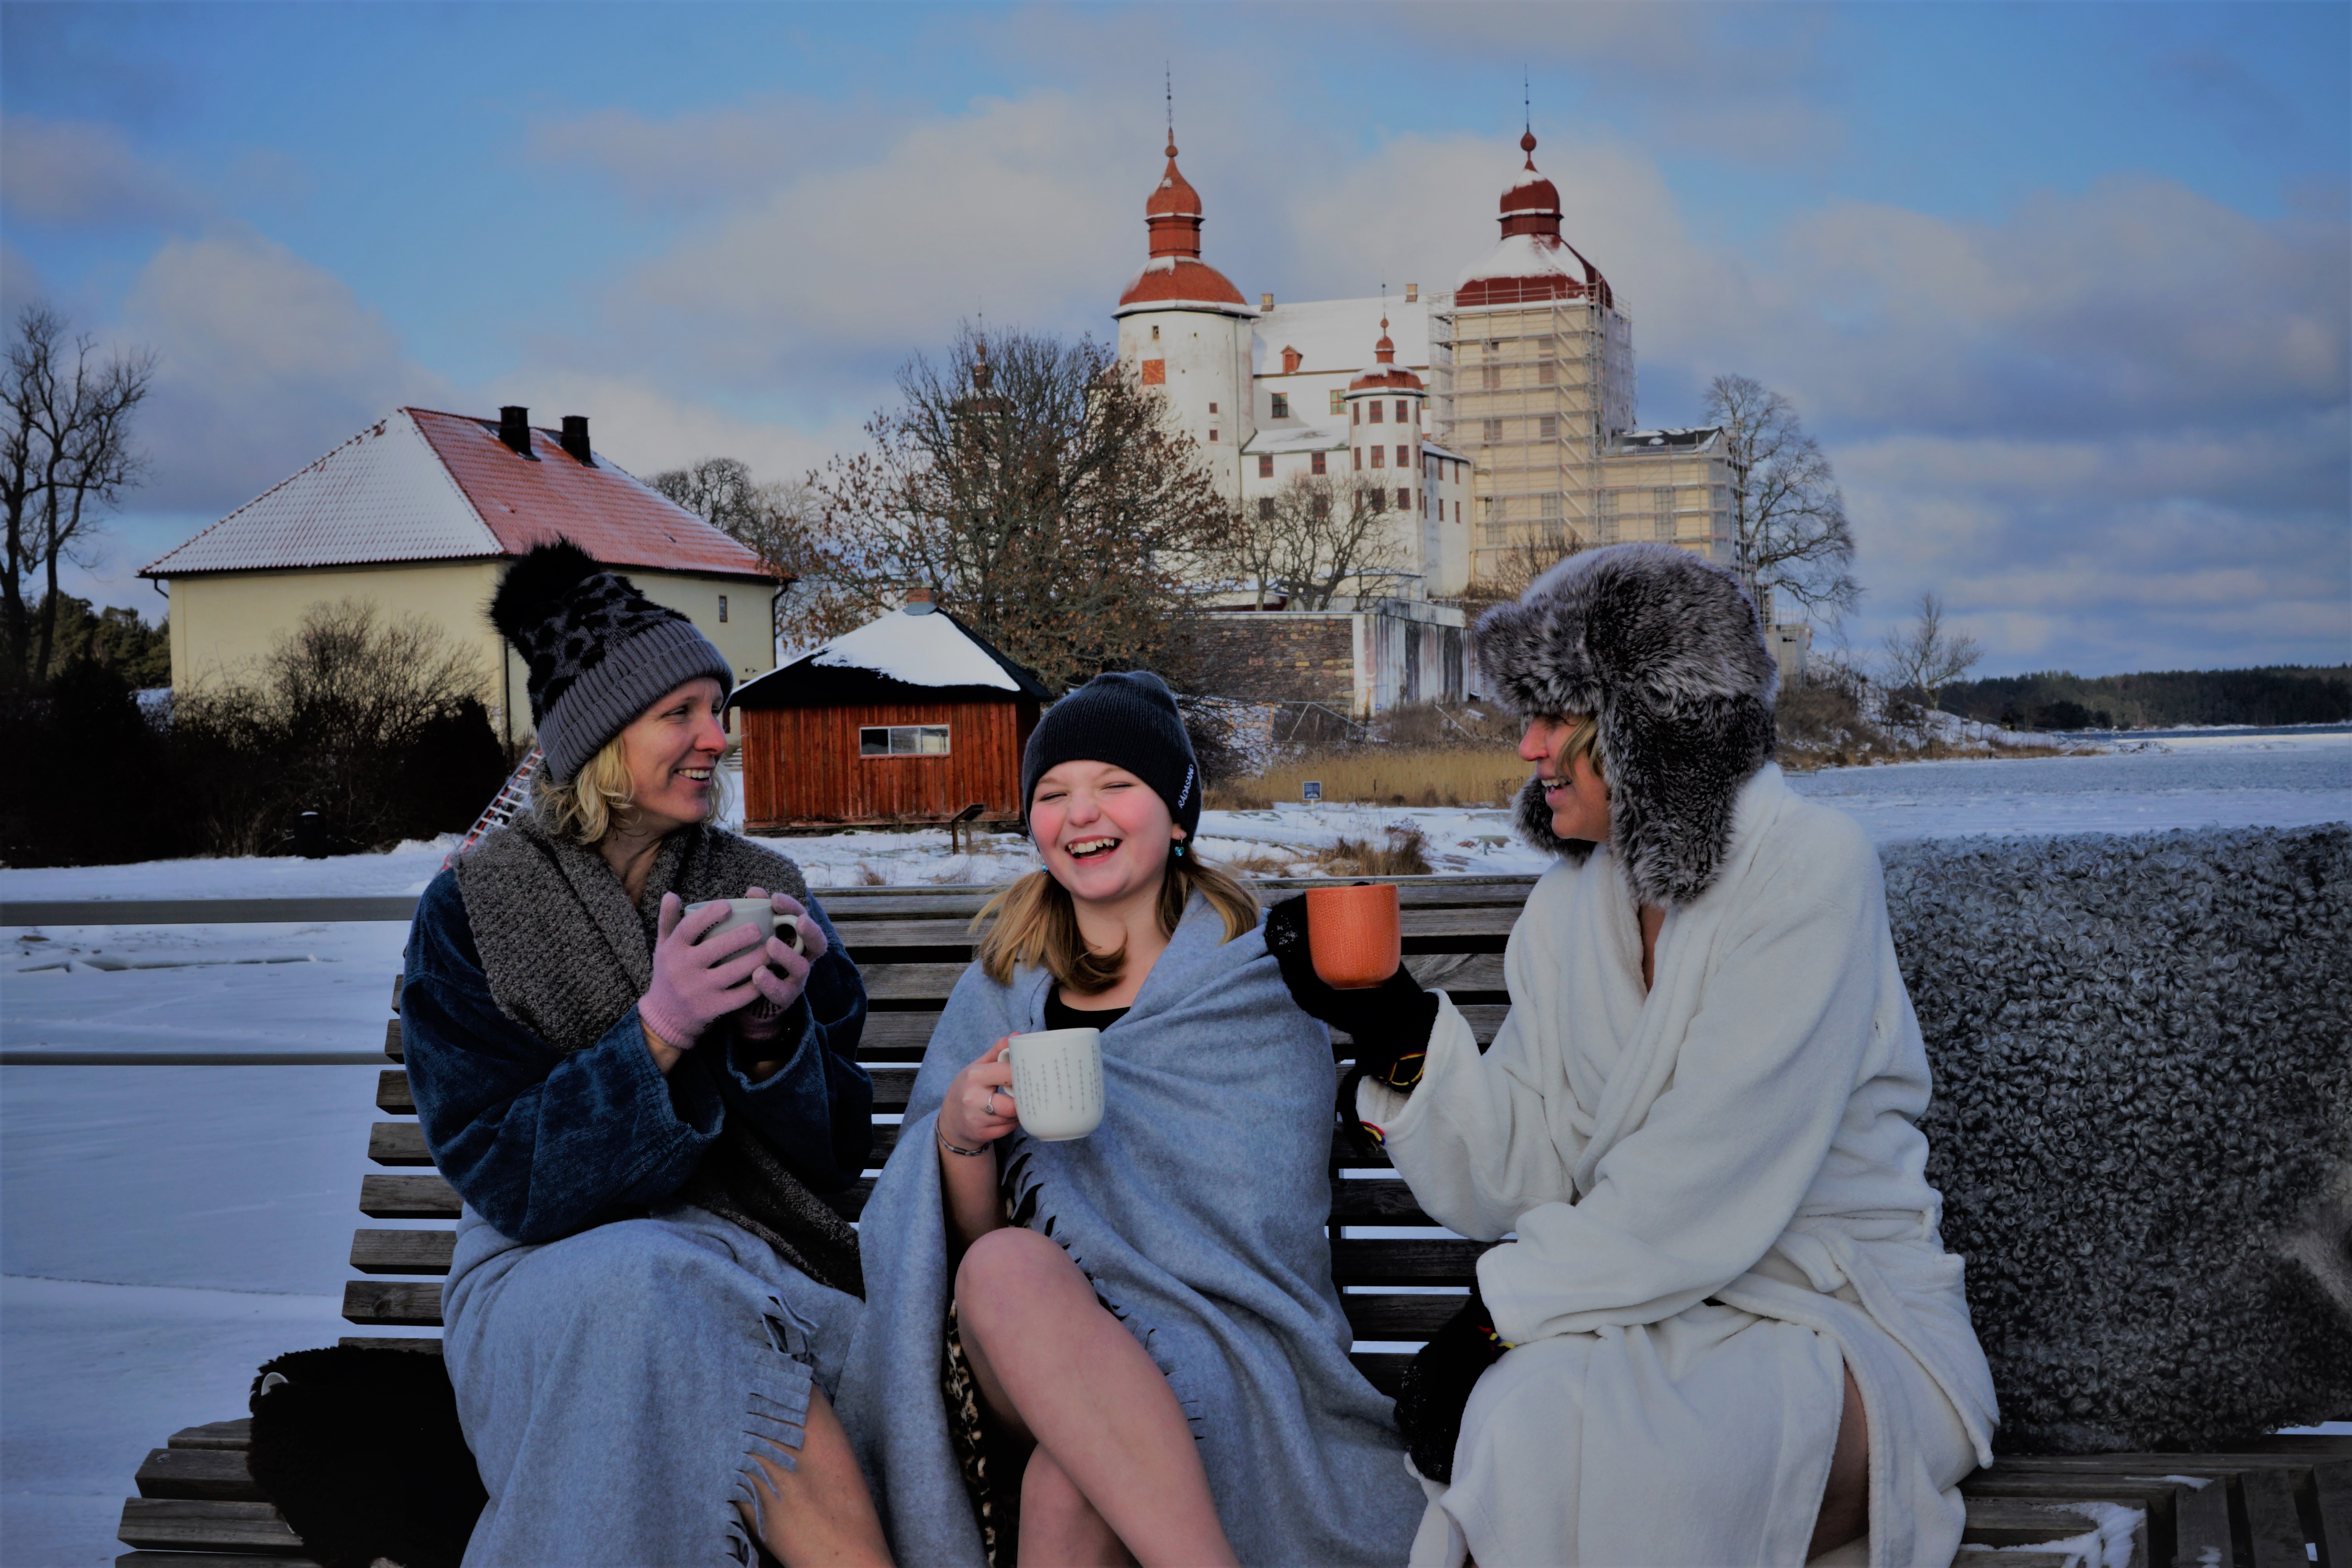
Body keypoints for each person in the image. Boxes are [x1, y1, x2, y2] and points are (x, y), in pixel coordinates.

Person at [1266, 543, 1999, 1568]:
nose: (1525, 747)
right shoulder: (1571, 909)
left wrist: (1493, 1322)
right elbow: (1522, 1173)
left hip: (1842, 1319)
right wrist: (1392, 1029)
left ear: (1654, 724)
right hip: (1641, 1318)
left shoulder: (1810, 872)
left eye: (1555, 716)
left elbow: (1702, 1176)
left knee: (1624, 1475)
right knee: (1518, 1432)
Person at [838, 671, 1424, 1567]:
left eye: (1116, 784)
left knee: (1072, 1482)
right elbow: (961, 1249)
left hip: (1222, 1334)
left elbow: (1264, 1217)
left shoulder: (1256, 986)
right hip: (1023, 1346)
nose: (1082, 812)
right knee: (1002, 1263)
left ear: (1178, 815)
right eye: (1052, 793)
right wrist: (957, 1136)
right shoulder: (1001, 984)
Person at [401, 540, 890, 1568]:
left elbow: (839, 1158)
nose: (720, 738)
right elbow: (506, 1180)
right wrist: (658, 1032)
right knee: (650, 1291)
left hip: (765, 1263)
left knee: (694, 1306)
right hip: (539, 1283)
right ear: (602, 737)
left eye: (720, 709)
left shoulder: (763, 884)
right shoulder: (477, 910)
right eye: (684, 715)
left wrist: (772, 1038)